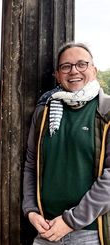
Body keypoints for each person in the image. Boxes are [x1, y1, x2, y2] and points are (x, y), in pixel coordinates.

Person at [22, 42, 110, 245]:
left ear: (94, 70)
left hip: (91, 233)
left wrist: (71, 221)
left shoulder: (106, 111)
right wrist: (31, 211)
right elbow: (30, 165)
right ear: (57, 75)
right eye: (66, 66)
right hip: (45, 229)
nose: (74, 71)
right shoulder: (44, 113)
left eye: (82, 64)